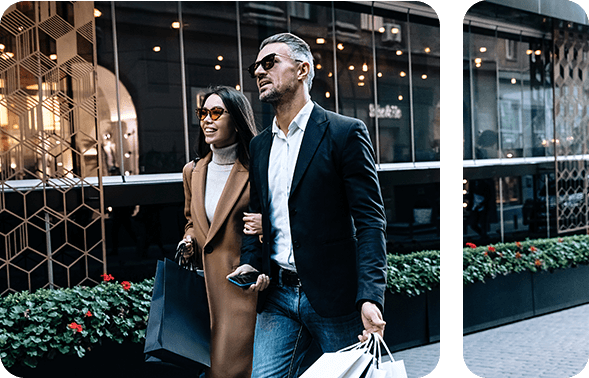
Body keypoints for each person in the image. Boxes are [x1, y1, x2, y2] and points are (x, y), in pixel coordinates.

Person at [227, 33, 388, 377]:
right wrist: (251, 263)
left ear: (301, 70)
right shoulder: (259, 146)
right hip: (278, 297)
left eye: (270, 62)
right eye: (256, 66)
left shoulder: (343, 133)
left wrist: (371, 296)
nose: (259, 71)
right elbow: (258, 216)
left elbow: (371, 220)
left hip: (335, 298)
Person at [180, 86, 261, 378]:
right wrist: (188, 239)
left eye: (216, 112)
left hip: (240, 293)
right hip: (202, 293)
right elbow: (193, 220)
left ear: (237, 120)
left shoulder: (255, 170)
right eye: (203, 113)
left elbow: (273, 223)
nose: (207, 120)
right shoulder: (192, 171)